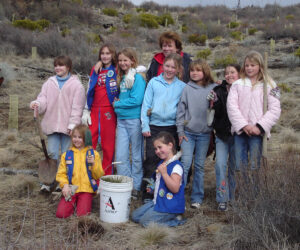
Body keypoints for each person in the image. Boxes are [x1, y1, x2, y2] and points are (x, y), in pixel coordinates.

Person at [30, 55, 85, 192]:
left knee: (67, 155)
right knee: (52, 153)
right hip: (52, 125)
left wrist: (73, 125)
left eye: (61, 65)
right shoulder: (49, 83)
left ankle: (63, 182)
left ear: (68, 67)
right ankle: (48, 182)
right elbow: (43, 99)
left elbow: (77, 107)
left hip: (68, 128)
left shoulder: (76, 85)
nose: (58, 68)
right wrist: (37, 104)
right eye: (56, 65)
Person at [227, 51, 281, 188]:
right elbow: (232, 107)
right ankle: (244, 193)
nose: (249, 68)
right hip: (241, 132)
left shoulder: (270, 85)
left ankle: (256, 195)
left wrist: (259, 127)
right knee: (240, 165)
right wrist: (244, 126)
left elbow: (275, 109)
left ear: (260, 66)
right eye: (247, 65)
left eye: (253, 65)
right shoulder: (238, 84)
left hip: (258, 133)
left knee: (255, 166)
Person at [141, 53, 186, 203]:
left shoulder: (182, 86)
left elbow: (184, 109)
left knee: (170, 161)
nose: (169, 69)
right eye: (167, 66)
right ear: (162, 66)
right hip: (154, 127)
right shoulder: (154, 82)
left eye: (174, 67)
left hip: (172, 128)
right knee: (152, 160)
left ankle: (168, 193)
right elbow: (146, 105)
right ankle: (148, 194)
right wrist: (145, 125)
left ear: (178, 69)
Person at [176, 59, 217, 209]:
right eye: (192, 70)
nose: (194, 73)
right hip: (188, 133)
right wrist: (180, 131)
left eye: (198, 70)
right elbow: (180, 111)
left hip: (205, 134)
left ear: (205, 71)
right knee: (185, 165)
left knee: (199, 166)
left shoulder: (213, 88)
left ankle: (197, 197)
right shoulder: (187, 88)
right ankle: (177, 196)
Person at [131, 132, 186, 227]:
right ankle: (159, 217)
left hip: (169, 206)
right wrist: (153, 189)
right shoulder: (162, 163)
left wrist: (164, 173)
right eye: (156, 149)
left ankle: (176, 220)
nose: (157, 151)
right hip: (158, 201)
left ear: (170, 145)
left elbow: (175, 188)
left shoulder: (176, 166)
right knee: (135, 216)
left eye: (160, 147)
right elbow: (160, 183)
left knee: (145, 222)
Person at [113, 48, 146, 199]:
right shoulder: (122, 77)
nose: (122, 63)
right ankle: (124, 183)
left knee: (136, 155)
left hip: (134, 120)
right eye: (120, 60)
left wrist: (118, 104)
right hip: (121, 120)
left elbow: (137, 100)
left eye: (125, 60)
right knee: (121, 155)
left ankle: (136, 186)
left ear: (132, 60)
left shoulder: (137, 78)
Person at [207, 64, 240, 211]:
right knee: (220, 165)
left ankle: (233, 196)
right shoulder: (218, 90)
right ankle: (222, 198)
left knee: (234, 166)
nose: (229, 75)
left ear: (239, 74)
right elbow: (212, 112)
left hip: (238, 135)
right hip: (221, 134)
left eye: (233, 72)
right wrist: (212, 102)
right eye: (226, 73)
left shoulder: (243, 89)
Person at [81, 44, 119, 175]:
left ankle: (106, 175)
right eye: (103, 53)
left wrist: (131, 73)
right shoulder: (95, 69)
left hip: (109, 110)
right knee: (89, 141)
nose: (105, 56)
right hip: (94, 109)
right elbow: (89, 88)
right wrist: (86, 109)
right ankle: (89, 173)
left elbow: (138, 68)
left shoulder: (117, 69)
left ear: (113, 55)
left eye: (108, 53)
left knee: (108, 145)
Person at [56, 124, 104, 218]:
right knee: (61, 214)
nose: (76, 140)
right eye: (74, 137)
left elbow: (98, 175)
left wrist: (93, 164)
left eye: (80, 137)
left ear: (86, 138)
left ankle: (81, 205)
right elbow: (61, 174)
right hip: (71, 189)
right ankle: (73, 205)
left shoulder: (93, 154)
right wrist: (65, 185)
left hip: (86, 189)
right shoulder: (66, 155)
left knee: (82, 216)